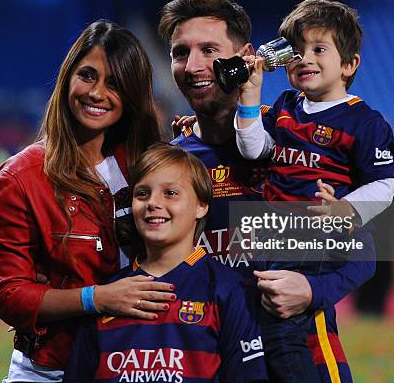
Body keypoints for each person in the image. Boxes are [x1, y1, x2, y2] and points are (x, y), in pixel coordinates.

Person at [159, 0, 378, 383]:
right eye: (180, 53)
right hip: (211, 359)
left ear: (246, 56)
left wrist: (312, 290)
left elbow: (363, 248)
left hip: (301, 356)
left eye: (209, 50)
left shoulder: (297, 140)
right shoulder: (170, 164)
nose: (193, 66)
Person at [0, 20, 175, 382]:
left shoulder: (149, 164)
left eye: (115, 84)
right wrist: (97, 298)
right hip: (52, 369)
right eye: (88, 75)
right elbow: (10, 295)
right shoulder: (20, 177)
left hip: (143, 362)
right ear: (68, 78)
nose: (96, 93)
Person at [235, 0, 394, 382]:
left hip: (316, 234)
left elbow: (385, 185)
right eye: (296, 52)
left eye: (319, 49)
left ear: (348, 64)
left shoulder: (364, 121)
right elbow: (254, 149)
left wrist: (347, 209)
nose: (305, 59)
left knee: (282, 331)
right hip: (275, 235)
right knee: (264, 326)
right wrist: (248, 97)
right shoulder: (286, 105)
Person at [66, 143, 267, 382]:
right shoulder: (109, 294)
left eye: (170, 193)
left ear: (201, 206)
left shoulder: (228, 290)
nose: (152, 203)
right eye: (142, 193)